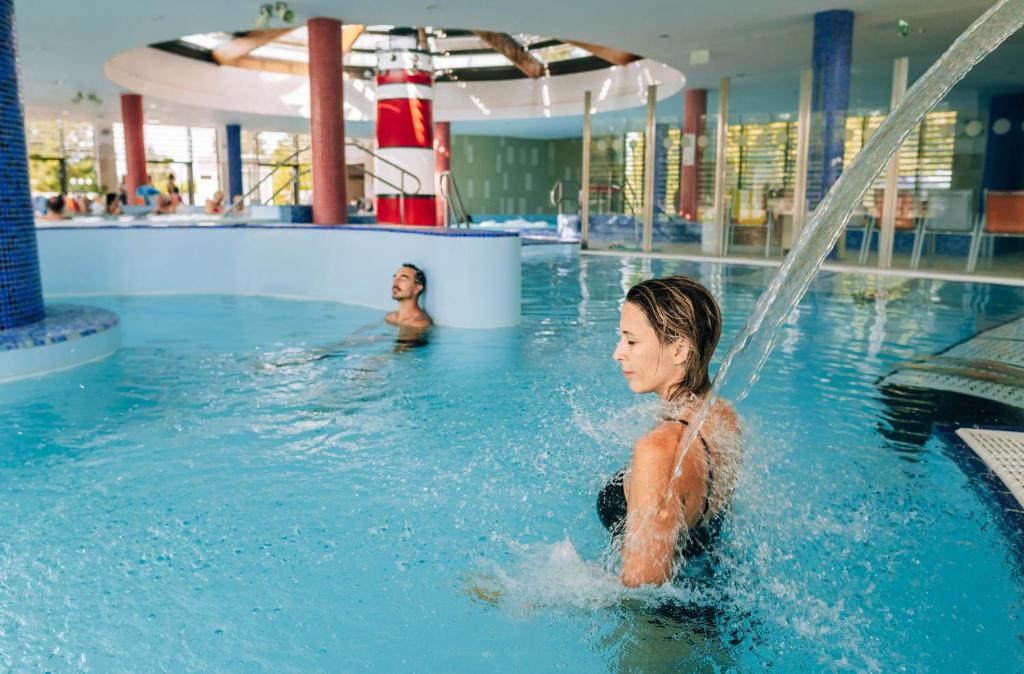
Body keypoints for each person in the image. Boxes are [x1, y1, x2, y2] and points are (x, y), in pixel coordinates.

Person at [601, 275, 740, 587]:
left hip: (670, 630)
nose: (618, 353)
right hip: (709, 593)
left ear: (679, 351)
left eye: (631, 341)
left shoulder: (657, 452)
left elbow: (641, 592)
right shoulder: (722, 415)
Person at [385, 263, 432, 330]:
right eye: (394, 278)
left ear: (417, 288)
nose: (395, 282)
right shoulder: (390, 317)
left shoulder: (419, 324)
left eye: (403, 279)